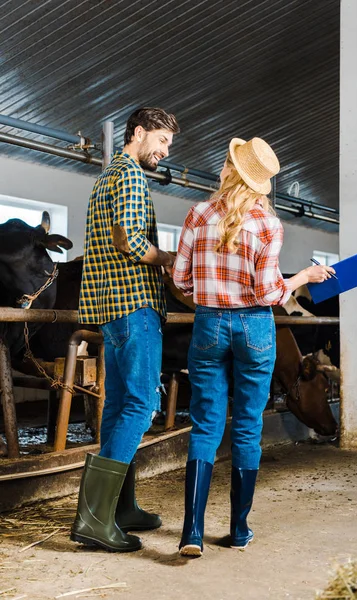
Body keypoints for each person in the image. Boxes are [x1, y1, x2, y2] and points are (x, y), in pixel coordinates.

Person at [173, 137, 335, 557]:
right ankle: (239, 530)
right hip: (254, 329)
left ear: (229, 168)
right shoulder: (267, 223)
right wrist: (304, 278)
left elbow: (180, 281)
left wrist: (209, 291)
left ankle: (191, 532)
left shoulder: (198, 213)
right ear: (259, 183)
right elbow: (268, 292)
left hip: (209, 322)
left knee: (206, 425)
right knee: (247, 426)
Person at [71, 107, 180, 552]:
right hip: (134, 306)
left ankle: (121, 506)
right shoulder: (131, 176)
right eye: (162, 141)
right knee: (141, 404)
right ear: (138, 133)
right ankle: (95, 518)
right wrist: (172, 260)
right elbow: (129, 241)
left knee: (118, 406)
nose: (165, 151)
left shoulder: (108, 177)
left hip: (110, 309)